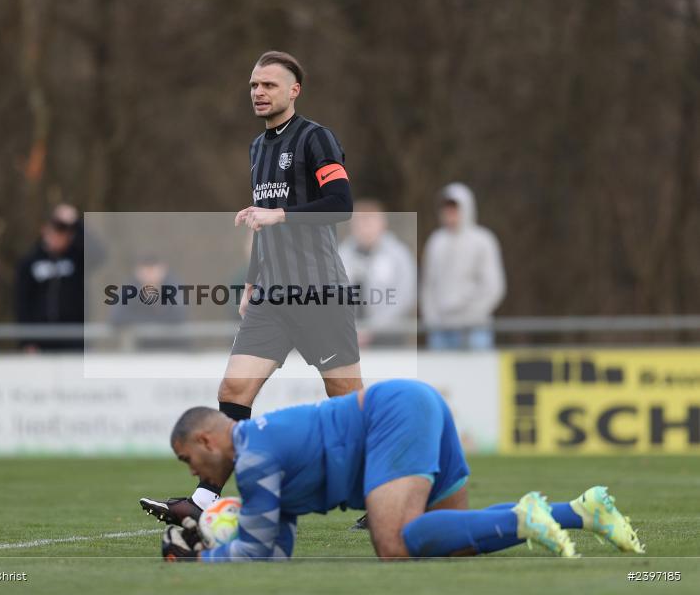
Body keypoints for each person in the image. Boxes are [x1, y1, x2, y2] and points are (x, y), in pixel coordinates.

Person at [141, 51, 362, 523]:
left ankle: (383, 490)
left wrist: (279, 214)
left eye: (269, 85)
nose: (259, 93)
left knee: (348, 403)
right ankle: (204, 501)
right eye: (253, 86)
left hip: (318, 292)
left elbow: (341, 203)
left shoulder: (315, 138)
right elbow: (265, 227)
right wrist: (252, 281)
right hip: (272, 297)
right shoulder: (257, 148)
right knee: (234, 387)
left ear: (293, 90)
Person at [160, 379, 645, 561]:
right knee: (453, 546)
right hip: (412, 402)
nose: (192, 472)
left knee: (393, 542)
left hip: (394, 411)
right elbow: (274, 547)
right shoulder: (261, 454)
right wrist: (227, 538)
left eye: (188, 460)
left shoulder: (254, 454)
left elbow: (255, 546)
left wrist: (199, 555)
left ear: (206, 440)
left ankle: (526, 518)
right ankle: (582, 511)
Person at [421, 183, 506, 350]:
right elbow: (428, 285)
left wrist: (469, 316)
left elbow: (493, 287)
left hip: (475, 329)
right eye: (447, 208)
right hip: (440, 330)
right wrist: (431, 319)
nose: (450, 213)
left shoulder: (483, 240)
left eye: (455, 207)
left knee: (475, 375)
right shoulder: (436, 241)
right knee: (440, 374)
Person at [339, 199, 416, 346]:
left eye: (369, 221)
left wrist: (375, 328)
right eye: (360, 222)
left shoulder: (398, 255)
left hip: (389, 336)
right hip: (348, 337)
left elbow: (405, 295)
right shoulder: (341, 255)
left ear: (382, 223)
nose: (364, 227)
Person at [15, 203, 86, 352]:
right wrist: (26, 341)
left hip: (73, 336)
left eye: (63, 233)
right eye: (55, 231)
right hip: (40, 337)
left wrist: (77, 222)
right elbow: (22, 303)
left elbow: (100, 254)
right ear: (44, 230)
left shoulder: (77, 260)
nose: (58, 237)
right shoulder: (29, 262)